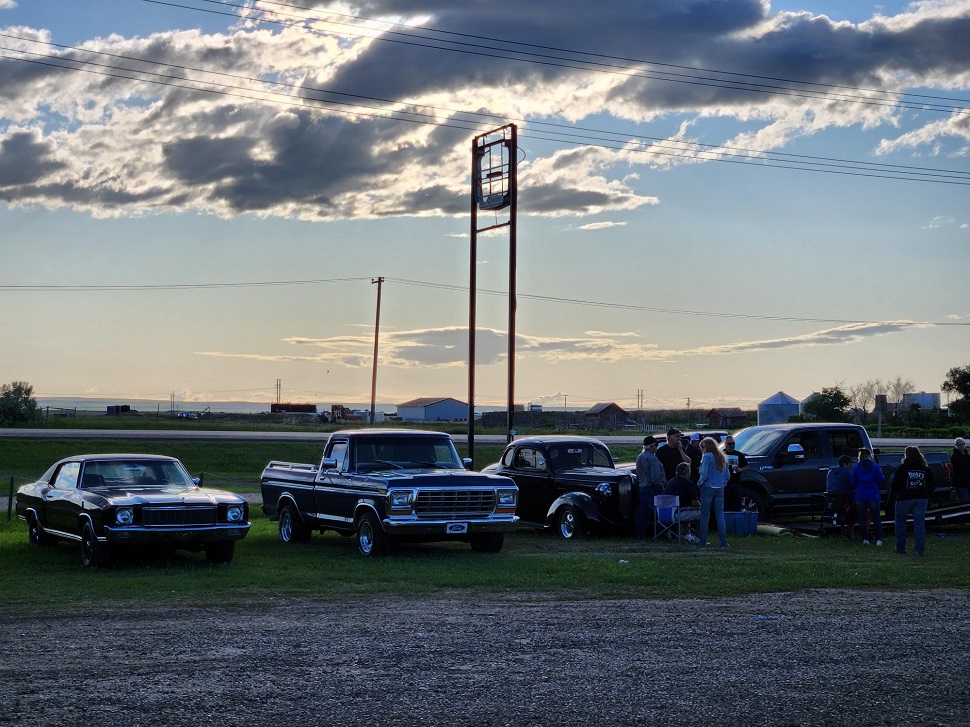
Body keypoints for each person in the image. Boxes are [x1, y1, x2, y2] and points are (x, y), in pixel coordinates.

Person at [892, 446, 937, 556]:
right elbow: (933, 484)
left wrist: (900, 492)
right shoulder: (925, 468)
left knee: (900, 522)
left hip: (904, 499)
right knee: (919, 525)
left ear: (906, 455)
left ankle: (901, 548)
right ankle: (919, 550)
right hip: (921, 498)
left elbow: (894, 484)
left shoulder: (902, 468)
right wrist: (926, 494)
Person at [697, 437, 730, 548]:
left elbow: (704, 473)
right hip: (719, 488)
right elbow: (727, 475)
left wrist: (700, 483)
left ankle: (703, 540)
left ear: (706, 447)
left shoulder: (707, 457)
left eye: (703, 447)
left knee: (705, 515)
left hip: (708, 487)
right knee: (720, 515)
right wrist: (723, 483)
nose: (702, 450)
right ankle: (723, 541)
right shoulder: (722, 457)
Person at [851, 448, 885, 546]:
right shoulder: (875, 467)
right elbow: (881, 480)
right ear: (870, 455)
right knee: (876, 518)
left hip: (860, 495)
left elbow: (852, 482)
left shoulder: (856, 467)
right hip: (873, 494)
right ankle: (879, 539)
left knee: (862, 518)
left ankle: (865, 539)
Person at [635, 435, 666, 539]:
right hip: (653, 489)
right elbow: (655, 477)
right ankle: (661, 534)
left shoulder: (640, 457)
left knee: (643, 514)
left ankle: (640, 533)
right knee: (658, 513)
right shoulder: (652, 458)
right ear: (652, 446)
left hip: (642, 487)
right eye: (656, 445)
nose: (656, 447)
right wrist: (660, 486)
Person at [664, 462, 701, 542]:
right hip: (679, 514)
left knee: (686, 509)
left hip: (665, 513)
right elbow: (695, 503)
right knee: (704, 514)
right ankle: (698, 538)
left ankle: (688, 536)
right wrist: (702, 507)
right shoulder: (689, 484)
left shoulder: (670, 483)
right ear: (687, 473)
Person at [825, 455, 856, 538]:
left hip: (831, 500)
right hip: (843, 500)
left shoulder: (830, 471)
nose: (851, 467)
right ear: (845, 464)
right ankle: (853, 533)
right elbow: (853, 485)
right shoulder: (846, 473)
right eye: (850, 465)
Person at [722, 435, 749, 511]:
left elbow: (747, 467)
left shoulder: (739, 454)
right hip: (724, 483)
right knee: (725, 505)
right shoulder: (721, 454)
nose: (732, 445)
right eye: (729, 444)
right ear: (725, 444)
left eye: (733, 443)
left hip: (735, 482)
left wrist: (740, 469)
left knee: (736, 504)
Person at [951, 437, 970, 503]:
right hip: (960, 483)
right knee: (963, 501)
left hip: (968, 482)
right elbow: (956, 471)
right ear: (956, 446)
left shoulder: (967, 456)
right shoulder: (954, 457)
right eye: (959, 444)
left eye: (962, 444)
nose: (961, 446)